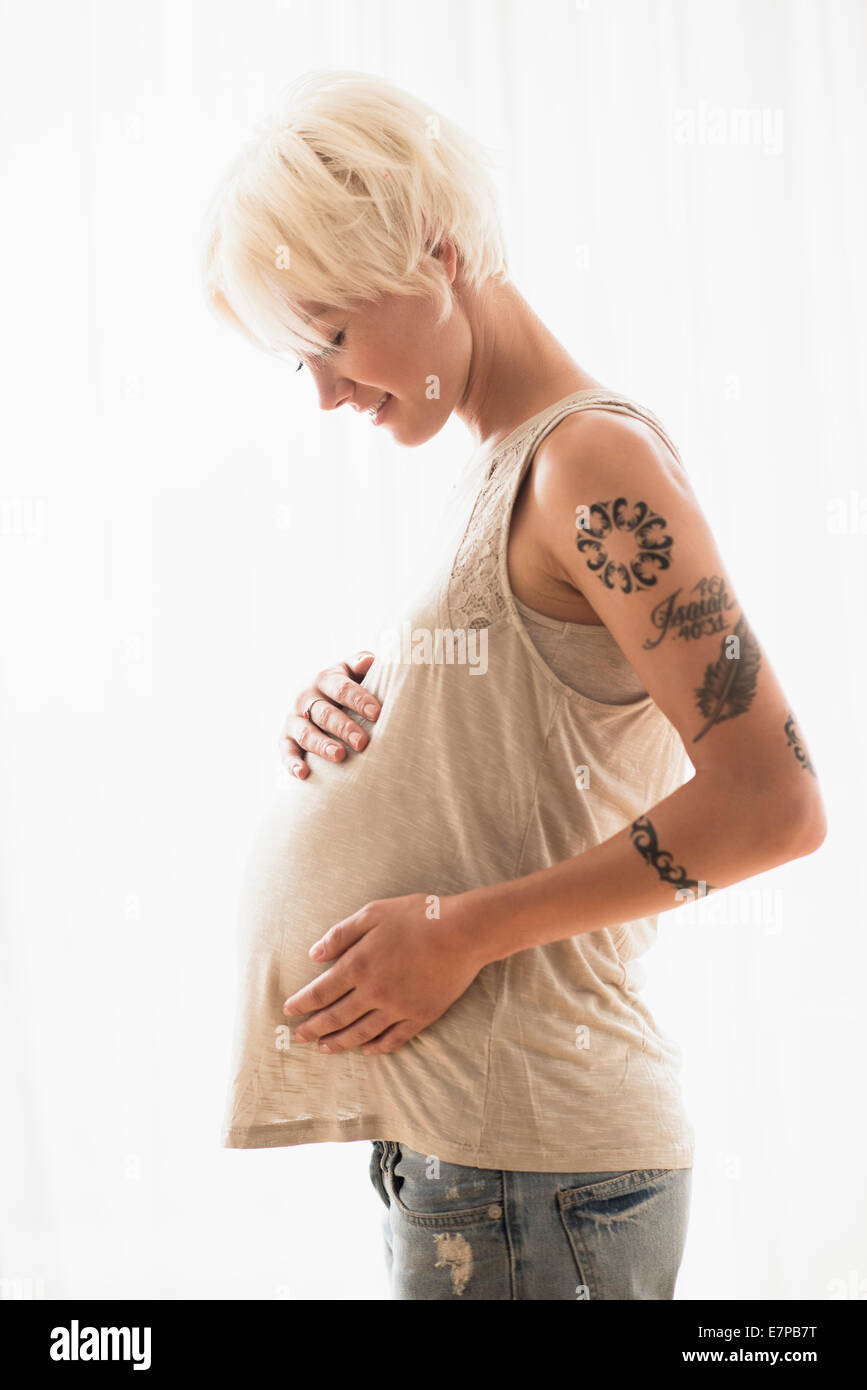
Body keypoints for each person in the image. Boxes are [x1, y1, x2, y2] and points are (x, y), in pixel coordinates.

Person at [202, 69, 827, 1300]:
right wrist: (357, 707)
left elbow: (776, 802)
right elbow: (530, 744)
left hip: (534, 1165)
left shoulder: (587, 461)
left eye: (331, 332)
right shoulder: (506, 461)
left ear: (438, 253)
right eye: (300, 358)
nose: (324, 390)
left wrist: (457, 932)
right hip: (485, 1157)